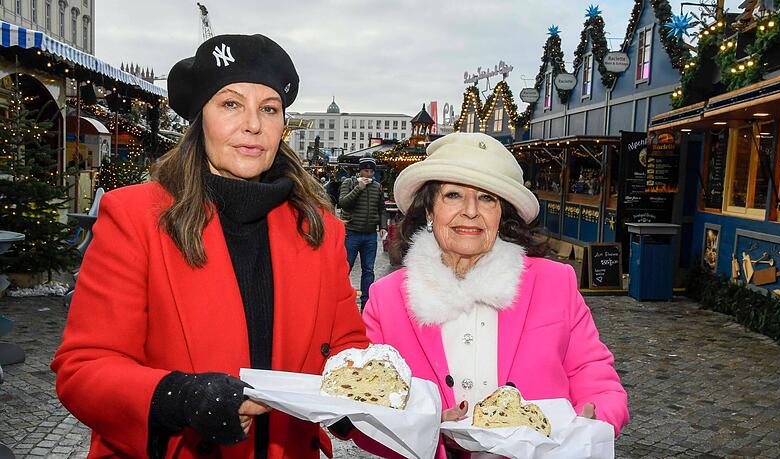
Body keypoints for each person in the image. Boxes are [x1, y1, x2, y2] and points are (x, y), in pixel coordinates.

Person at [51, 34, 369, 459]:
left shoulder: (320, 229)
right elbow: (85, 368)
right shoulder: (134, 217)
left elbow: (346, 343)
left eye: (269, 109)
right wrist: (178, 397)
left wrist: (356, 397)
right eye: (231, 104)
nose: (253, 124)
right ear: (200, 120)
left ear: (282, 127)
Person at [357, 132, 628, 458]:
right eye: (453, 195)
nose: (470, 211)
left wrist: (594, 421)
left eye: (487, 198)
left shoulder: (555, 283)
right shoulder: (387, 300)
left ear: (502, 215)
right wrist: (423, 428)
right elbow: (369, 406)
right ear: (429, 211)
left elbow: (595, 377)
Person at [338, 156, 387, 308]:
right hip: (352, 233)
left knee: (368, 270)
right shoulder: (349, 183)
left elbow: (382, 209)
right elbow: (344, 203)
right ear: (360, 171)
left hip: (370, 235)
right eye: (366, 170)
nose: (369, 174)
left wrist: (383, 226)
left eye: (372, 171)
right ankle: (340, 300)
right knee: (345, 268)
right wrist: (358, 188)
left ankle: (366, 305)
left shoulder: (376, 187)